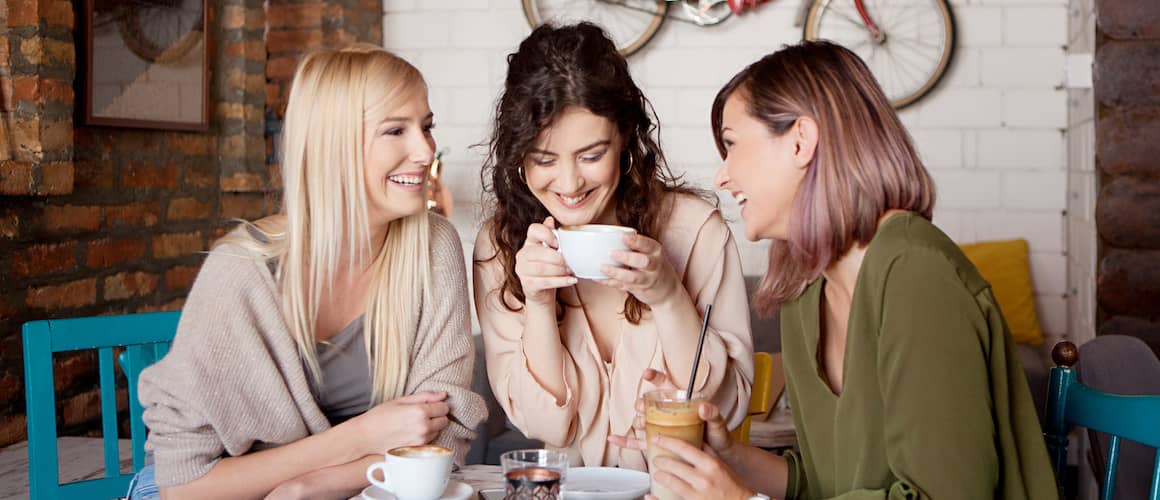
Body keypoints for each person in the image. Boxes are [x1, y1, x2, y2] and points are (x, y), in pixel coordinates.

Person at [613, 40, 1057, 499]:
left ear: (801, 141)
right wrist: (727, 458)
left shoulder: (916, 276)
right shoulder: (804, 292)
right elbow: (829, 483)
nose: (722, 177)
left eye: (732, 144)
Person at [130, 45, 485, 499]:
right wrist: (360, 438)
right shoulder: (243, 271)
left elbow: (440, 443)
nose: (425, 150)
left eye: (427, 127)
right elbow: (184, 486)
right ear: (331, 143)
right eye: (395, 129)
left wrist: (308, 486)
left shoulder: (434, 247)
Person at [473, 22, 755, 470]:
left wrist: (666, 294)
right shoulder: (502, 246)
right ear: (518, 156)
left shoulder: (695, 230)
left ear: (625, 137)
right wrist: (539, 303)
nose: (568, 184)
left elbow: (727, 406)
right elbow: (545, 427)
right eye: (544, 159)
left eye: (591, 155)